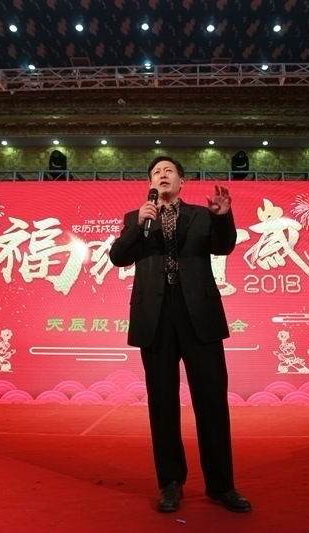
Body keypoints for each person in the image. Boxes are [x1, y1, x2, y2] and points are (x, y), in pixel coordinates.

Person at [110, 156, 251, 513]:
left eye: (168, 171)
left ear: (182, 181)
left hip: (198, 313)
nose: (162, 175)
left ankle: (221, 485)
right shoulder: (136, 217)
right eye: (156, 172)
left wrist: (222, 216)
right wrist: (137, 225)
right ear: (150, 182)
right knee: (162, 403)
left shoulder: (202, 216)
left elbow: (223, 246)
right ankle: (171, 483)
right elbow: (118, 257)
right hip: (154, 316)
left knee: (211, 400)